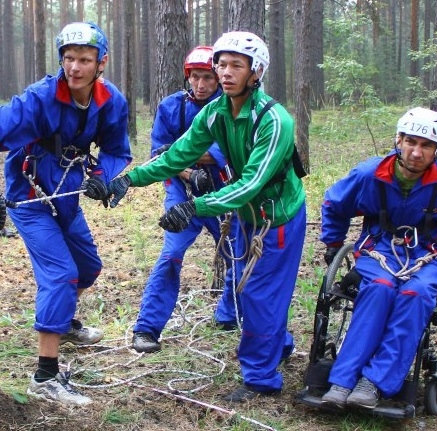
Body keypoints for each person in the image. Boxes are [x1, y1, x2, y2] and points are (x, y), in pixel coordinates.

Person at [107, 31, 306, 402]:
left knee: (258, 294)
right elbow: (175, 156)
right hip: (246, 216)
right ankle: (278, 346)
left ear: (256, 72)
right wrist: (127, 180)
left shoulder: (274, 120)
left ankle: (260, 380)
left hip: (276, 218)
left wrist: (195, 206)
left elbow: (251, 183)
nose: (225, 72)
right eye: (222, 64)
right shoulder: (215, 113)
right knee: (249, 291)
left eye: (236, 65)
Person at [0, 22, 132, 405]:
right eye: (69, 58)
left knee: (88, 268)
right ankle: (44, 376)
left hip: (67, 196)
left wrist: (101, 177)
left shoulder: (111, 101)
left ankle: (63, 322)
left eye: (85, 60)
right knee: (60, 275)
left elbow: (116, 149)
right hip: (30, 198)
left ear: (101, 63)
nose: (74, 67)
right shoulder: (41, 98)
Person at [320, 107, 437, 409]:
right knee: (378, 290)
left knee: (415, 294)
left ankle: (374, 381)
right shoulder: (369, 174)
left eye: (426, 145)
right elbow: (335, 204)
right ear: (398, 140)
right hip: (381, 249)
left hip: (430, 254)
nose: (416, 152)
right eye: (411, 142)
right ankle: (342, 380)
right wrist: (334, 244)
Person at [131, 45, 238, 353]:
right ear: (187, 77)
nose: (201, 84)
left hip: (224, 192)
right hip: (181, 192)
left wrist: (185, 156)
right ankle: (147, 329)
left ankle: (230, 315)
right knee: (172, 253)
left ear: (217, 78)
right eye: (195, 77)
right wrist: (189, 173)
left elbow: (225, 153)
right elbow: (160, 153)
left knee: (237, 253)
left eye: (207, 77)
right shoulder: (171, 107)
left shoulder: (231, 107)